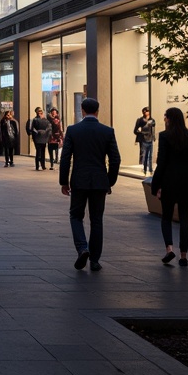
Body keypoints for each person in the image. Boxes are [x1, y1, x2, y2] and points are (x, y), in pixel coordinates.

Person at [59, 97, 121, 272]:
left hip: (79, 180)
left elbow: (65, 158)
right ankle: (95, 260)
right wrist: (110, 181)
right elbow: (115, 159)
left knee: (76, 216)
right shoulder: (107, 131)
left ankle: (82, 248)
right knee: (97, 220)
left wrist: (64, 181)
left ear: (82, 110)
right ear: (98, 111)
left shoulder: (73, 130)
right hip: (100, 181)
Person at [151, 107, 188, 266]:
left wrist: (156, 183)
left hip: (169, 179)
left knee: (166, 216)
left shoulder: (164, 136)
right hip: (187, 178)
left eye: (165, 117)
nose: (164, 120)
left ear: (169, 119)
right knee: (184, 217)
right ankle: (184, 256)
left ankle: (169, 249)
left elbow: (162, 162)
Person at [26, 107, 52, 172]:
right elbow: (32, 129)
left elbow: (49, 128)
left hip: (43, 137)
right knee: (38, 151)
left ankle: (43, 165)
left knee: (42, 151)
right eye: (39, 112)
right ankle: (38, 166)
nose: (40, 114)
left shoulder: (45, 120)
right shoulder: (35, 120)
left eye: (41, 112)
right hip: (38, 138)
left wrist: (45, 133)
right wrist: (38, 132)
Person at [134, 107, 156, 174]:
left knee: (150, 155)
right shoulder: (140, 120)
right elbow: (135, 130)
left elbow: (153, 128)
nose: (146, 112)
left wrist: (153, 136)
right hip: (143, 138)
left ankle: (150, 169)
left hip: (150, 138)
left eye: (147, 111)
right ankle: (144, 168)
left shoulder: (152, 120)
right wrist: (141, 133)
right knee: (143, 154)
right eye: (145, 111)